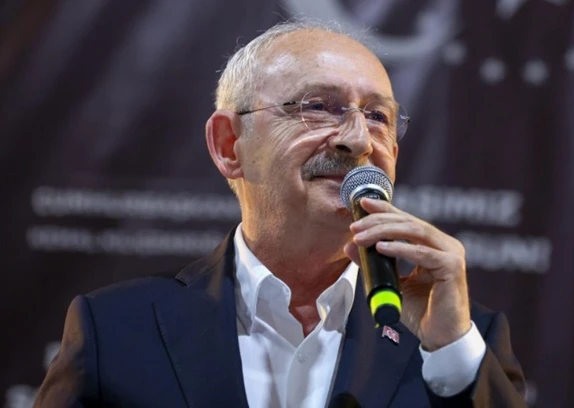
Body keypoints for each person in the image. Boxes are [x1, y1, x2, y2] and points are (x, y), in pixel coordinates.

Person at [34, 20, 526, 408]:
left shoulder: (461, 342)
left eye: (378, 116)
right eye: (320, 106)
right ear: (229, 144)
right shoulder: (116, 329)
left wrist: (450, 354)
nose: (358, 140)